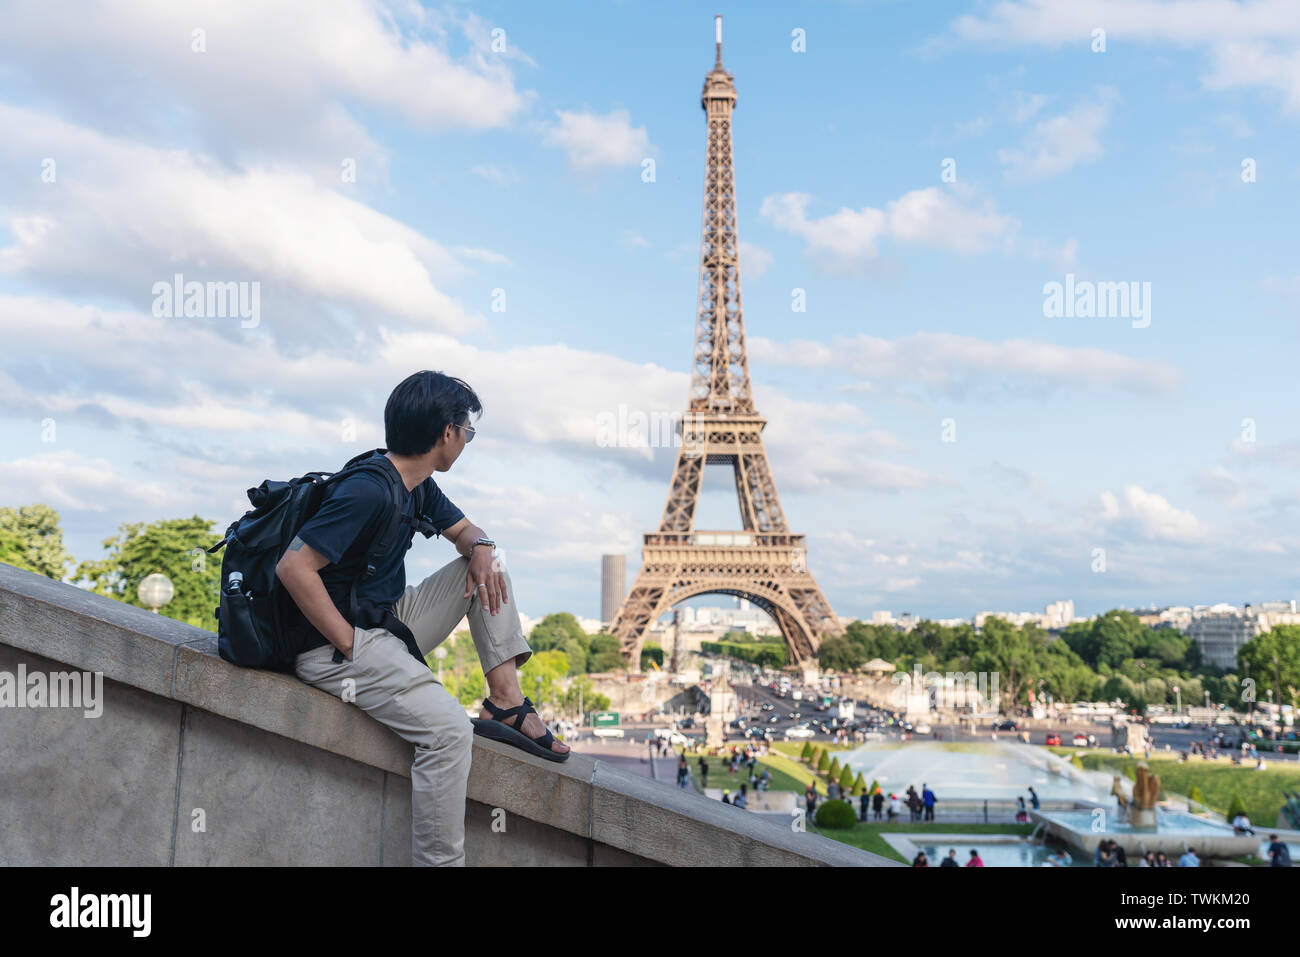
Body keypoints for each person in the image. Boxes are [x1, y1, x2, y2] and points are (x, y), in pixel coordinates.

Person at [276, 371, 567, 867]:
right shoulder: (368, 490)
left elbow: (466, 531)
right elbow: (293, 567)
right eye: (467, 433)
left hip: (384, 620)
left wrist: (480, 544)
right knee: (449, 734)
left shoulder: (417, 484)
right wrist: (350, 644)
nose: (466, 442)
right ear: (445, 434)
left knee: (487, 563)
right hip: (332, 646)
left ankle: (506, 701)